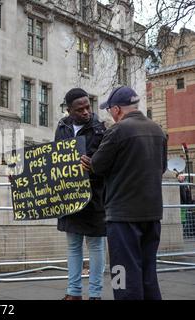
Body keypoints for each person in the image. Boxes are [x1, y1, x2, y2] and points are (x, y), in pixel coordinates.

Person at [81, 86, 167, 300]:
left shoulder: (117, 131)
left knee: (122, 274)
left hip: (123, 215)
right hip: (152, 213)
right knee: (149, 272)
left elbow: (99, 166)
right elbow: (162, 167)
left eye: (109, 109)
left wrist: (89, 163)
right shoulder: (158, 130)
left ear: (117, 109)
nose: (109, 113)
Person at [55, 88, 107, 300]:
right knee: (73, 245)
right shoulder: (62, 127)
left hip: (94, 197)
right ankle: (73, 292)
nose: (86, 111)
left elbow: (108, 163)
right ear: (69, 110)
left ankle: (95, 294)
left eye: (88, 107)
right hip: (69, 196)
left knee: (95, 245)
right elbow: (53, 159)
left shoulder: (101, 129)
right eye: (80, 109)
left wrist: (93, 165)